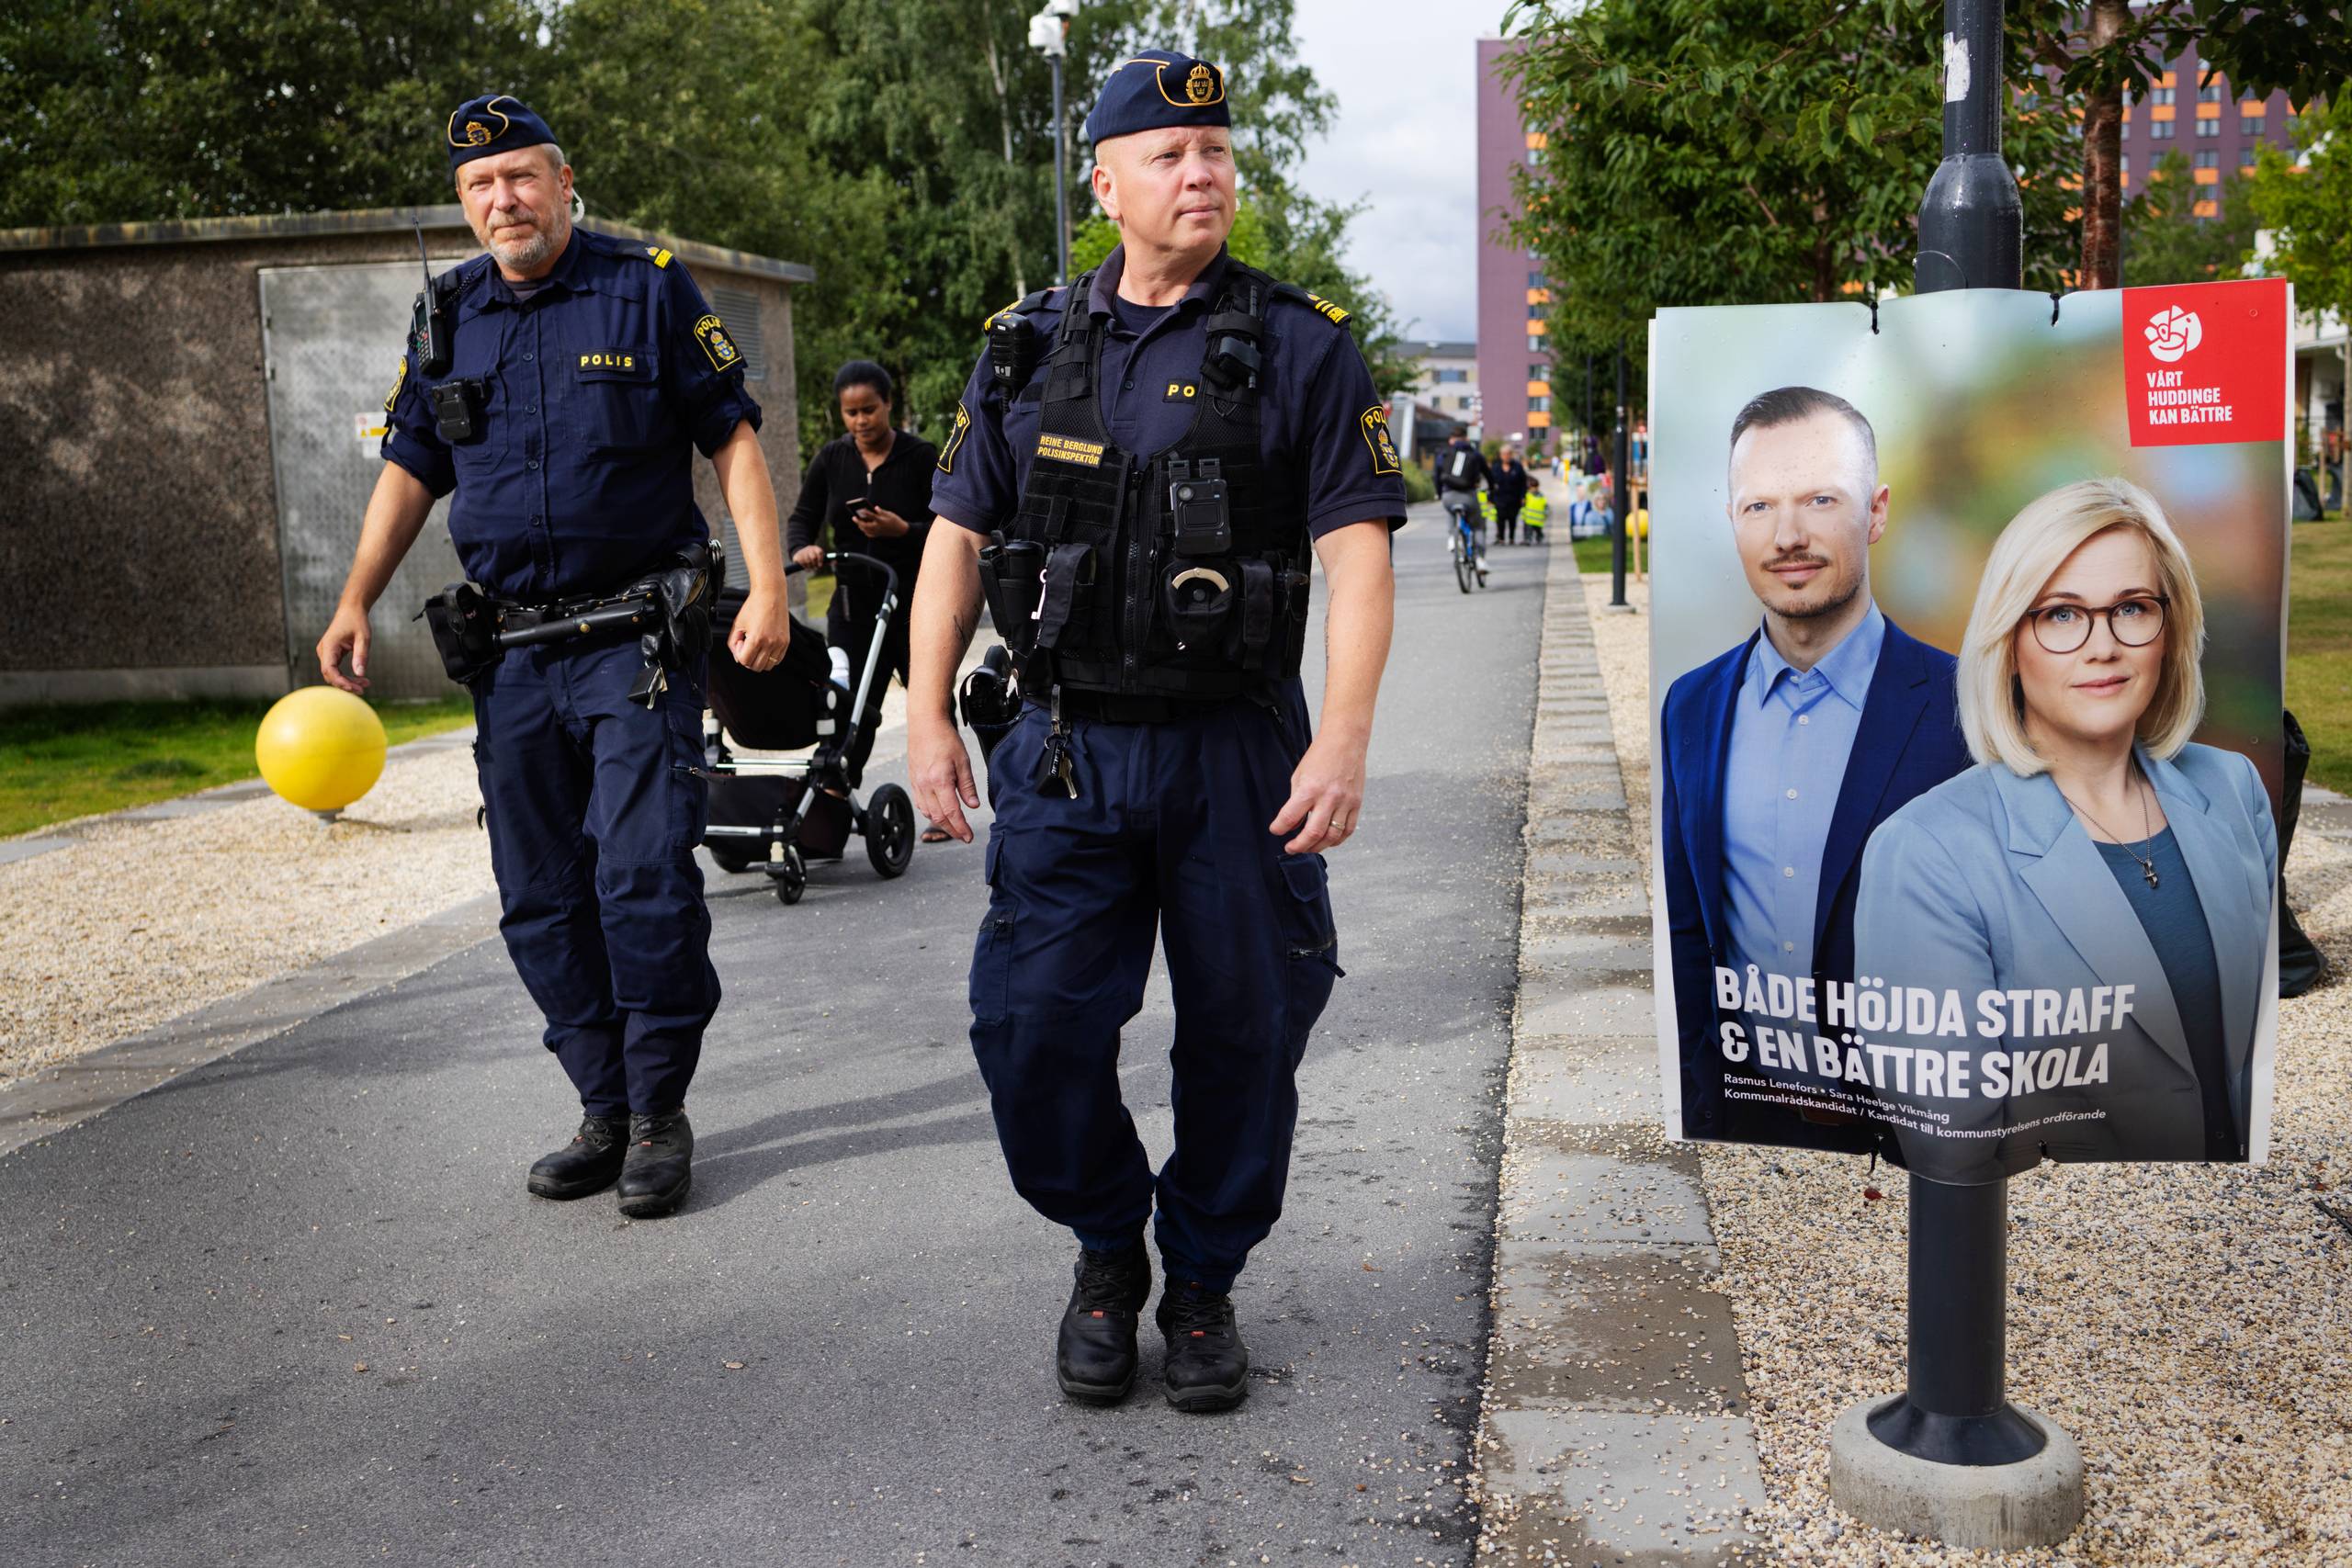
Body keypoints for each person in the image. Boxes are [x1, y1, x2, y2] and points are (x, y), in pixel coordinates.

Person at [904, 50, 1401, 1415]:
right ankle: (1105, 1243)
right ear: (1105, 182)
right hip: (1066, 749)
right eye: (1173, 156)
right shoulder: (1023, 345)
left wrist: (1344, 734)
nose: (1205, 174)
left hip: (1239, 750)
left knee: (1248, 1026)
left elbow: (1359, 554)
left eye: (1219, 153)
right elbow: (953, 536)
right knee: (1032, 1025)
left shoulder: (1299, 343)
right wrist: (926, 716)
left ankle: (1199, 1280)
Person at [315, 95, 790, 1218]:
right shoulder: (446, 314)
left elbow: (730, 436)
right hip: (515, 657)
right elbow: (411, 466)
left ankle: (660, 1110)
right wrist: (351, 601)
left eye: (521, 178)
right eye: (480, 187)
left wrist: (767, 583)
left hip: (634, 644)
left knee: (642, 879)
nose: (502, 200)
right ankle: (603, 1104)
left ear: (564, 183)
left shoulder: (647, 285)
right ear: (463, 204)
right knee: (537, 892)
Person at [1854, 479, 2276, 1176]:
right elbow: (1949, 1146)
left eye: (2132, 608)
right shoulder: (1924, 853)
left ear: (2170, 629)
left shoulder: (2233, 791)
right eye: (2060, 615)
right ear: (2009, 638)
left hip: (2239, 1248)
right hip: (2059, 1259)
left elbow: (2247, 1057)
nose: (2103, 645)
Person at [1656, 386, 1970, 1146]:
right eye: (1758, 506)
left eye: (1820, 499)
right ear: (1731, 519)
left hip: (1923, 1124)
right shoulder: (1690, 705)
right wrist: (1703, 1086)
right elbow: (1691, 922)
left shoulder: (1973, 707)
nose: (1786, 535)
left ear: (1877, 511)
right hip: (1742, 1112)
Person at [786, 360, 941, 828]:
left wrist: (904, 529)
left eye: (869, 410)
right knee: (849, 705)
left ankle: (941, 807)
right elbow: (801, 518)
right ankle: (831, 803)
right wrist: (804, 548)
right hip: (853, 607)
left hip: (914, 602)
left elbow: (950, 528)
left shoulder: (920, 456)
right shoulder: (831, 459)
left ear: (888, 403)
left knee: (931, 705)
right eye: (850, 413)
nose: (861, 422)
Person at [1435, 433, 1491, 570]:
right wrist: (1493, 487)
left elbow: (1436, 475)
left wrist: (1439, 493)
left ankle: (1452, 538)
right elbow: (1488, 474)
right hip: (1469, 495)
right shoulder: (1475, 454)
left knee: (1450, 511)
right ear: (1466, 438)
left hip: (1448, 495)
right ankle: (1480, 559)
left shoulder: (1444, 454)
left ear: (1451, 440)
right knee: (1478, 527)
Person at [1490, 446, 1533, 546]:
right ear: (1501, 455)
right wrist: (1490, 497)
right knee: (1500, 518)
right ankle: (1501, 538)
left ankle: (1511, 538)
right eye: (1504, 454)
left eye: (1508, 454)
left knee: (1512, 518)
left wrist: (1523, 496)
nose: (1506, 456)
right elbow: (1491, 482)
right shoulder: (1496, 467)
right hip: (1500, 498)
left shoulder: (1517, 467)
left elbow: (1523, 483)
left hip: (1514, 497)